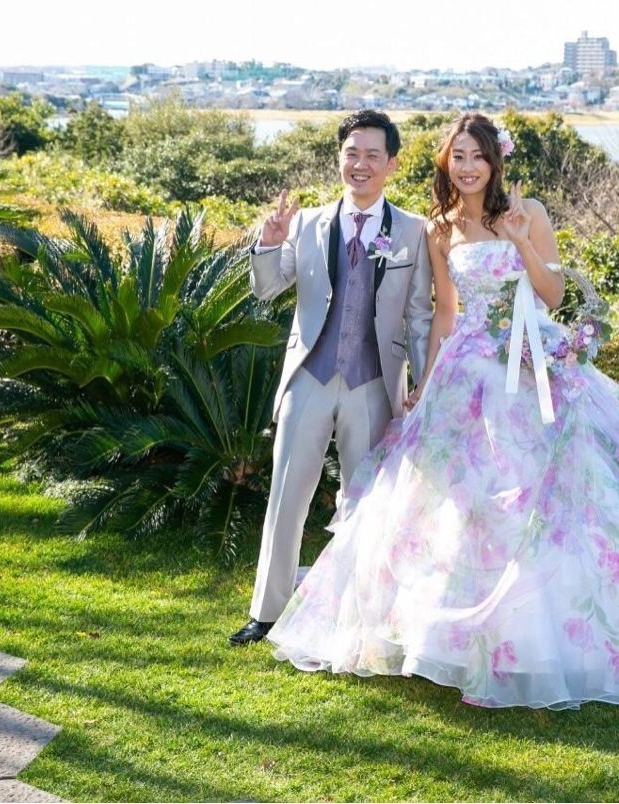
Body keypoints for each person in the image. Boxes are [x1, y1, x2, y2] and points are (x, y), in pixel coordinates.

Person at [266, 113, 619, 709]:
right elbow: (445, 315)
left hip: (530, 368)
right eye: (458, 157)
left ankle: (538, 645)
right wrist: (426, 381)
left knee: (543, 502)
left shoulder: (530, 213)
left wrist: (523, 240)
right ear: (446, 163)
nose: (467, 167)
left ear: (495, 161)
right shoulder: (440, 228)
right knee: (461, 506)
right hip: (466, 373)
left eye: (477, 156)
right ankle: (455, 642)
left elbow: (554, 295)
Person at [229, 110, 434, 646]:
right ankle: (266, 612)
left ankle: (361, 618)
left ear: (391, 163)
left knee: (366, 507)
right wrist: (268, 243)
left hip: (375, 386)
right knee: (286, 498)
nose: (360, 164)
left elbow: (419, 316)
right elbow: (267, 289)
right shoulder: (305, 223)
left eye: (372, 155)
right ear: (339, 158)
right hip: (310, 379)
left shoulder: (413, 231)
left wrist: (425, 383)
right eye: (351, 154)